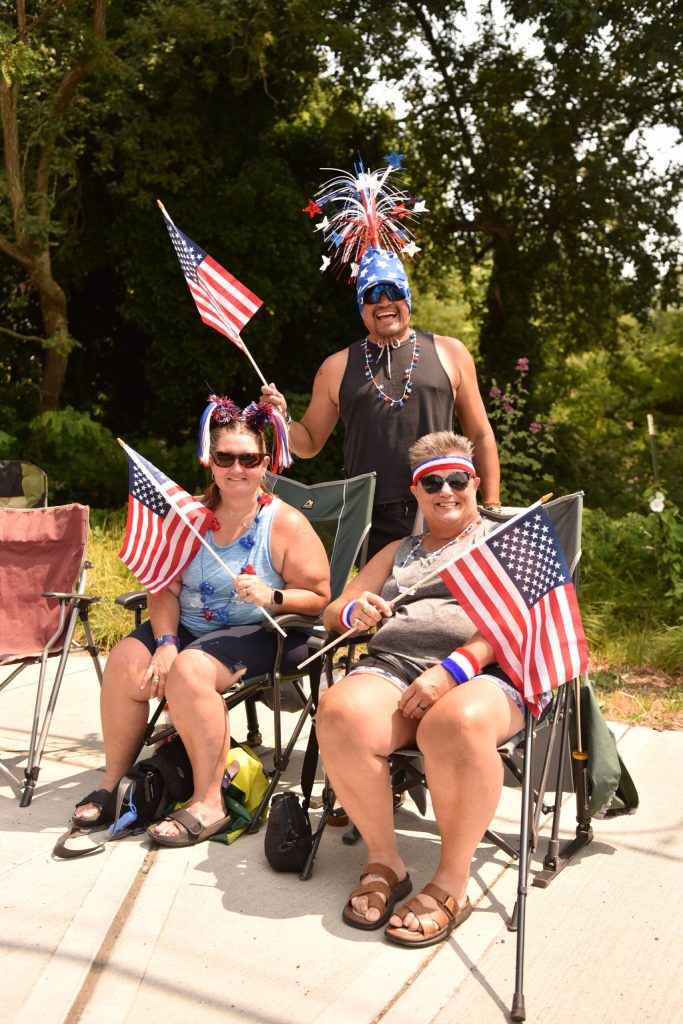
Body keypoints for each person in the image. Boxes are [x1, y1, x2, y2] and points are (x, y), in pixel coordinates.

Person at [72, 397, 330, 847]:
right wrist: (167, 641)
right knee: (126, 661)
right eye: (225, 457)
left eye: (248, 458)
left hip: (262, 631)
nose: (236, 468)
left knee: (190, 671)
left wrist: (273, 594)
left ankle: (209, 801)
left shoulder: (284, 522)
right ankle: (114, 782)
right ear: (210, 461)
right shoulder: (188, 517)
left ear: (265, 463)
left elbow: (320, 597)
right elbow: (163, 587)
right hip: (189, 627)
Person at [315, 430, 524, 947]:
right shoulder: (397, 551)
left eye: (457, 479)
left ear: (475, 482)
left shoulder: (504, 540)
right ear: (416, 491)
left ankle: (452, 883)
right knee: (339, 709)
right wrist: (352, 611)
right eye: (433, 481)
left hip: (485, 672)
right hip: (397, 666)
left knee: (455, 722)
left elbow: (519, 619)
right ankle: (385, 861)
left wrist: (452, 670)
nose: (446, 490)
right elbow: (331, 610)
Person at [262, 248, 500, 559]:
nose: (384, 301)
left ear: (407, 299)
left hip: (442, 499)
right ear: (361, 305)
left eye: (394, 290)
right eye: (373, 293)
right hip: (368, 511)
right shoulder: (336, 366)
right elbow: (308, 444)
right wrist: (282, 418)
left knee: (442, 602)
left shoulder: (451, 351)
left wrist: (491, 505)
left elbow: (480, 435)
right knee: (376, 604)